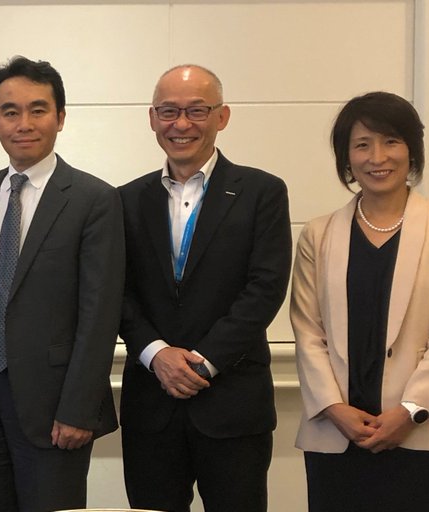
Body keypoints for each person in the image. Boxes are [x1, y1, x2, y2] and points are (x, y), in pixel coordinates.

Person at [0, 56, 124, 511]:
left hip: (56, 400)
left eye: (38, 109)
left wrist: (79, 407)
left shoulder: (94, 199)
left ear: (60, 117)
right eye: (10, 112)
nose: (24, 123)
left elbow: (100, 314)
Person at [117, 64, 291, 512]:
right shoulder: (124, 200)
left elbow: (265, 288)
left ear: (222, 116)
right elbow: (116, 292)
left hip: (233, 404)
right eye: (168, 111)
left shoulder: (262, 192)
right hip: (151, 405)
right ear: (152, 118)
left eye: (197, 110)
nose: (181, 124)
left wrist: (202, 363)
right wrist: (157, 354)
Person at [291, 91, 429, 511]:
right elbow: (308, 333)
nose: (378, 157)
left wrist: (410, 410)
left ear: (412, 150)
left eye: (391, 141)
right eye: (362, 145)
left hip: (421, 433)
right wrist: (334, 408)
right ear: (347, 157)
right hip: (337, 435)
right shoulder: (319, 235)